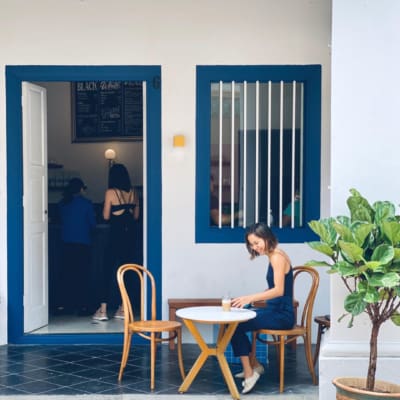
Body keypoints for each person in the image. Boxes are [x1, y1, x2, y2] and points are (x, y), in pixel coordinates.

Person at [230, 222, 294, 394]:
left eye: (257, 243)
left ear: (267, 237)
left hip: (282, 315)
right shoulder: (272, 255)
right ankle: (255, 365)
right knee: (236, 321)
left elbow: (279, 290)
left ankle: (250, 373)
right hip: (275, 310)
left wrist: (250, 297)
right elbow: (275, 288)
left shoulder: (277, 257)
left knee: (235, 325)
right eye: (251, 244)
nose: (255, 247)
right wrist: (250, 301)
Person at [92, 163, 140, 321]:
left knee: (106, 272)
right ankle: (123, 308)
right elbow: (135, 217)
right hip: (130, 238)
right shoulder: (134, 192)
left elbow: (106, 216)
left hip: (114, 237)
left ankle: (103, 310)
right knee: (127, 272)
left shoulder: (110, 192)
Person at [57, 177, 96, 316]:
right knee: (83, 276)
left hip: (66, 244)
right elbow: (92, 224)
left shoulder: (62, 204)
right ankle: (83, 307)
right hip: (82, 244)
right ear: (81, 189)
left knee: (67, 276)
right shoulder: (86, 204)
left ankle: (67, 306)